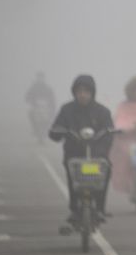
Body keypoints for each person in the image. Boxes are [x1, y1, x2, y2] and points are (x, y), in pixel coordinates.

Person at [49, 75, 115, 222]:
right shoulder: (66, 110)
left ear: (92, 92)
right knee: (74, 176)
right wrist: (57, 132)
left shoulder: (102, 111)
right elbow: (56, 130)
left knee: (105, 169)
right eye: (79, 91)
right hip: (74, 153)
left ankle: (99, 208)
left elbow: (109, 133)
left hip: (96, 155)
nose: (83, 94)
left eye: (86, 91)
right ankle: (74, 208)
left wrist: (101, 148)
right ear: (74, 92)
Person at [25, 72, 56, 140]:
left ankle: (46, 131)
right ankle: (34, 129)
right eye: (39, 77)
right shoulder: (33, 87)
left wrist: (52, 107)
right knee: (31, 114)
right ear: (37, 78)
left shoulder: (47, 88)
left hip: (46, 107)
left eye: (42, 77)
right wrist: (32, 102)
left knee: (49, 117)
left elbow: (52, 98)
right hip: (36, 107)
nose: (40, 79)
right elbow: (27, 97)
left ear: (44, 78)